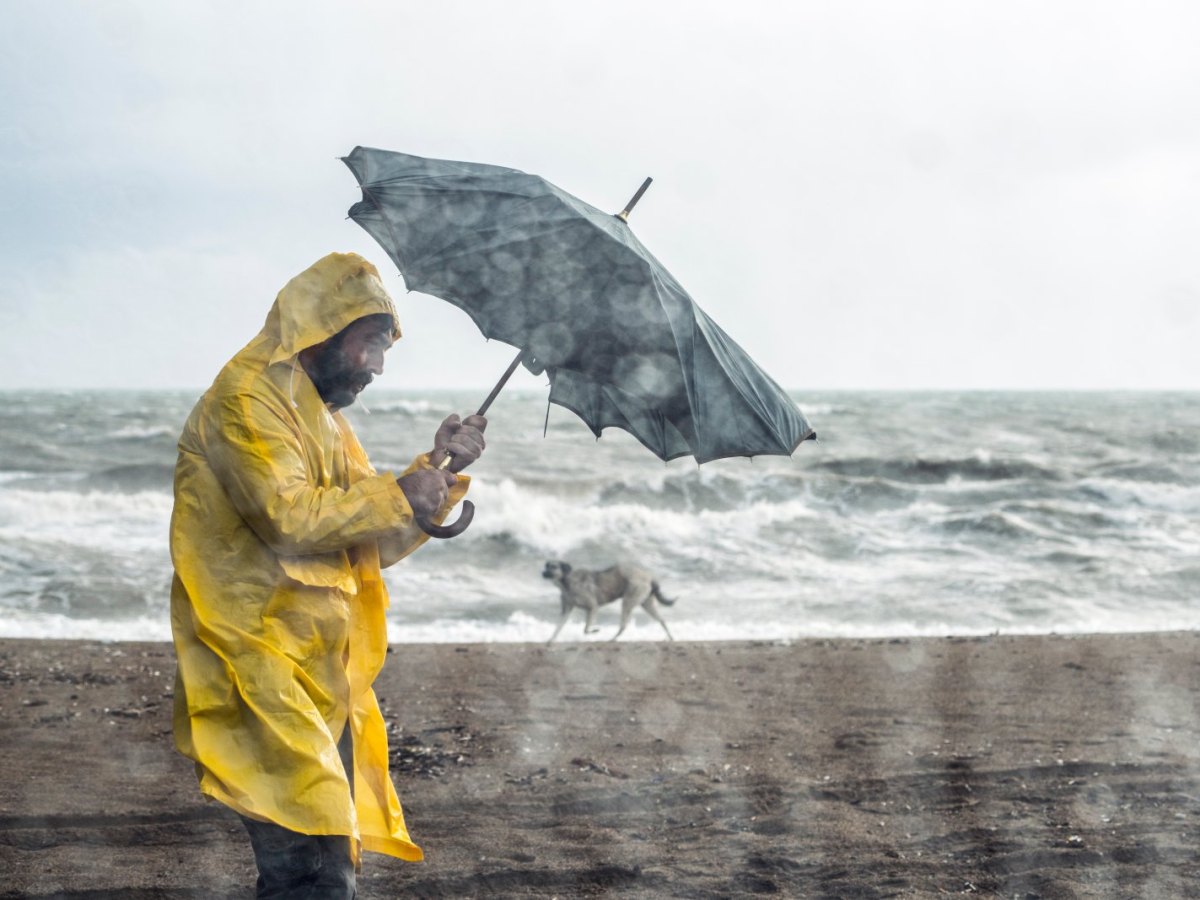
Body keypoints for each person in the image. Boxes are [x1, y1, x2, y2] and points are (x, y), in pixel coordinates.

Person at [169, 252, 486, 898]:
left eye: (385, 350)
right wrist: (402, 493)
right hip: (255, 665)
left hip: (318, 673)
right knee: (310, 871)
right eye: (371, 343)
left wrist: (437, 472)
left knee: (322, 862)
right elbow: (288, 518)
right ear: (322, 328)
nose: (377, 366)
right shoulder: (246, 402)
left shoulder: (321, 418)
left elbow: (360, 536)